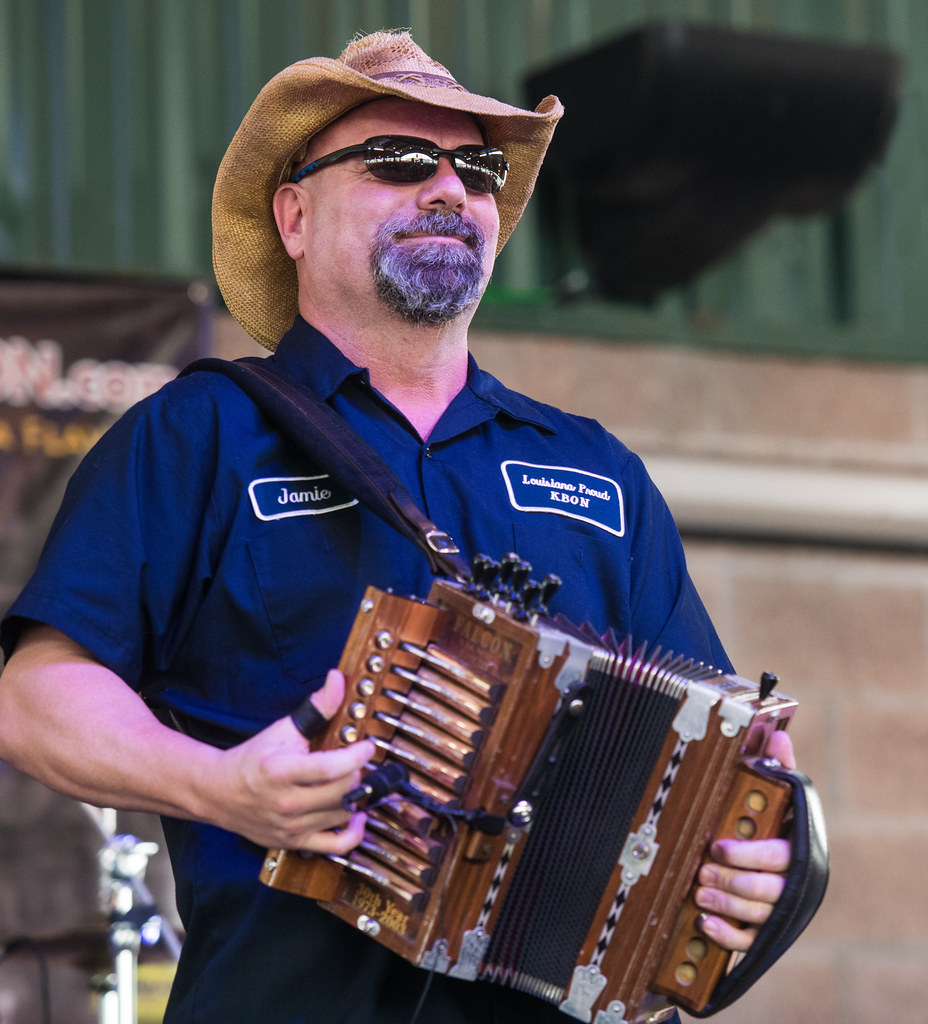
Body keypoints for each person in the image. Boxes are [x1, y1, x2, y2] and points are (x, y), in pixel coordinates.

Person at [0, 29, 797, 1024]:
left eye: (476, 169)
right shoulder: (199, 435)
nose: (450, 189)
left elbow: (719, 765)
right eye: (400, 162)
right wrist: (222, 785)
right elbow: (33, 698)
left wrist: (754, 864)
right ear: (293, 215)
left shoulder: (598, 470)